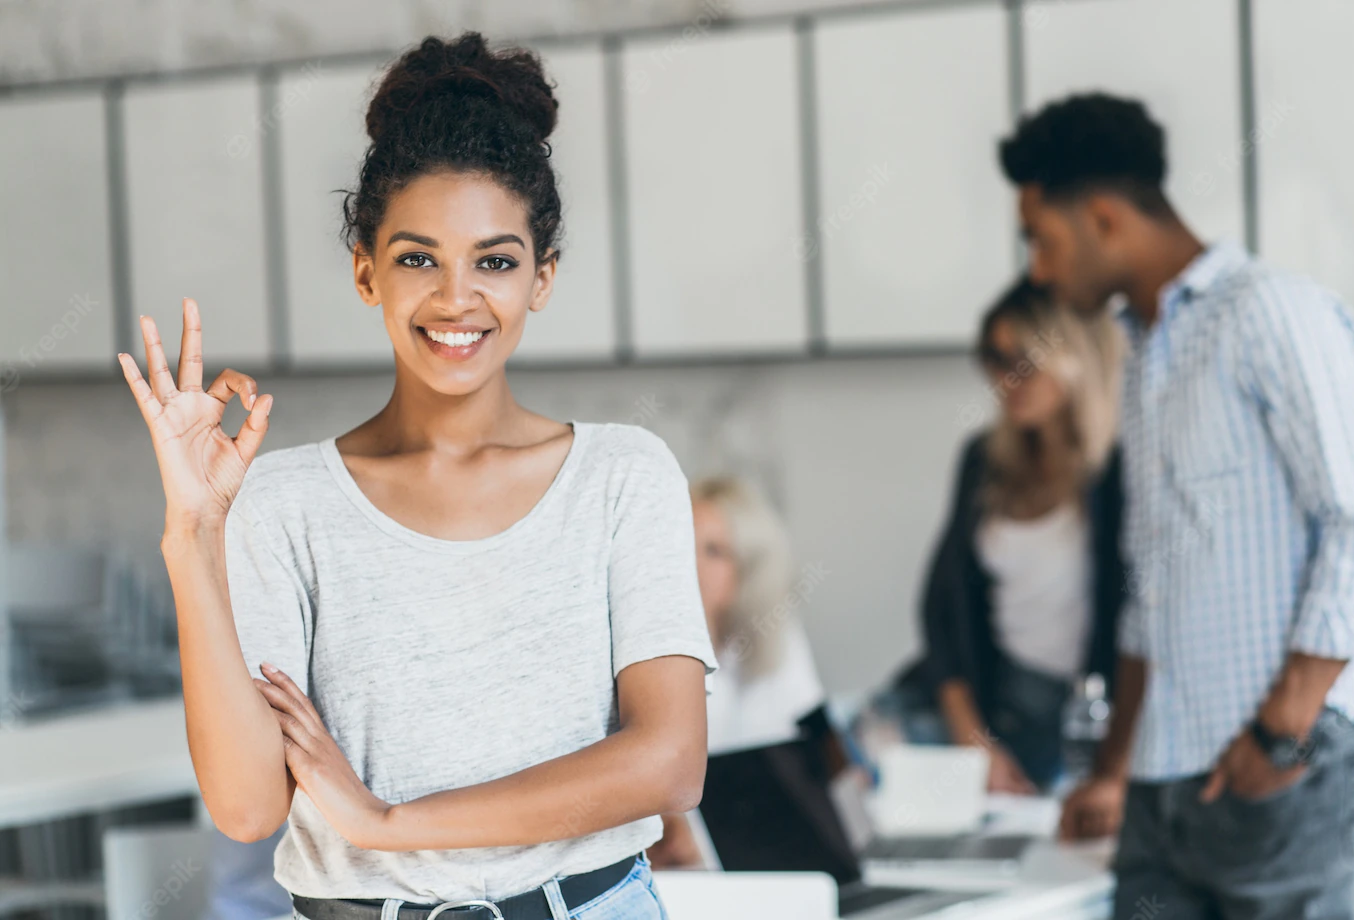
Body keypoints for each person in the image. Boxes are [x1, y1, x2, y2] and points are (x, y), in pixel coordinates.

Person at [117, 32, 718, 920]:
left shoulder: (623, 478)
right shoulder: (285, 503)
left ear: (542, 277)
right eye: (416, 257)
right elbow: (246, 807)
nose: (456, 298)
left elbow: (669, 764)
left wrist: (388, 822)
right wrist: (193, 534)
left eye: (496, 261)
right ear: (367, 272)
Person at [1001, 92, 1354, 919]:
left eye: (1042, 238)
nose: (1037, 269)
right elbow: (1151, 596)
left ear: (1103, 217)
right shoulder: (1141, 354)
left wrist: (1281, 736)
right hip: (1163, 777)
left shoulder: (1269, 312)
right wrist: (1111, 766)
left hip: (1279, 768)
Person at [880, 277, 1127, 794]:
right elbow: (942, 608)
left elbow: (1136, 623)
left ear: (1075, 356)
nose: (1004, 377)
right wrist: (974, 739)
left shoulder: (1118, 474)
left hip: (1082, 717)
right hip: (988, 701)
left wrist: (1112, 764)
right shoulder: (984, 460)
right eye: (992, 358)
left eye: (1023, 359)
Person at [649, 476, 827, 868]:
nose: (690, 562)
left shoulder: (778, 638)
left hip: (765, 850)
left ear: (750, 569)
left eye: (714, 551)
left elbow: (806, 750)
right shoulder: (647, 651)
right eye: (682, 541)